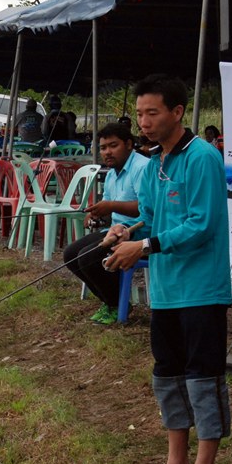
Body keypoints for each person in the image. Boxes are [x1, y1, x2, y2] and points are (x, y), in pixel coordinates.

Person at [104, 74, 231, 464]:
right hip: (166, 289)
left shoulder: (202, 159)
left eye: (152, 113)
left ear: (177, 112)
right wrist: (126, 230)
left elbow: (201, 223)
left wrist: (145, 244)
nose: (144, 121)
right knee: (167, 374)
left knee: (203, 376)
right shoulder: (154, 161)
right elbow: (152, 215)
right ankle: (176, 463)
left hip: (201, 288)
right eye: (140, 114)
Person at [63, 123, 147, 325]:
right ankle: (110, 301)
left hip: (139, 231)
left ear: (129, 144)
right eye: (103, 147)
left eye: (113, 145)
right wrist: (97, 217)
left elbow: (145, 208)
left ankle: (117, 304)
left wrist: (110, 206)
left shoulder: (142, 168)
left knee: (88, 257)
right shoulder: (111, 174)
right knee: (70, 255)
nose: (107, 152)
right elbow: (111, 212)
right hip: (115, 230)